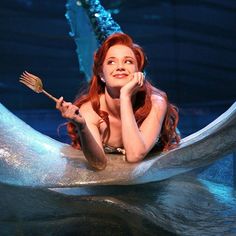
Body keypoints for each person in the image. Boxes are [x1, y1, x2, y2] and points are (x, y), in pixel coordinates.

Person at [56, 33, 180, 170]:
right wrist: (82, 126)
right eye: (111, 62)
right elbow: (99, 164)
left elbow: (134, 156)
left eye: (128, 61)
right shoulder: (90, 111)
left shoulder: (156, 103)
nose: (120, 67)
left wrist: (125, 96)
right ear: (102, 75)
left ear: (139, 72)